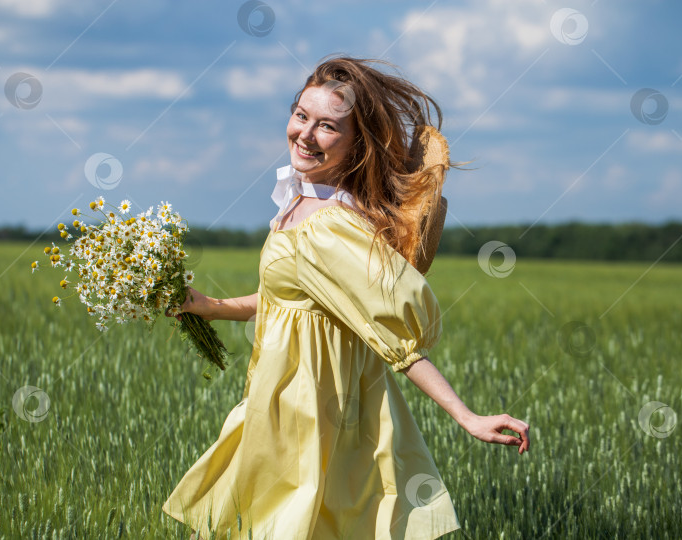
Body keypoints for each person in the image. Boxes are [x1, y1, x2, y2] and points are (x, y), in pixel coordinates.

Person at [162, 56, 531, 539]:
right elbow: (293, 298)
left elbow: (392, 337)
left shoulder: (333, 226)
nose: (306, 134)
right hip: (276, 402)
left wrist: (466, 415)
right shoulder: (300, 201)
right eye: (301, 116)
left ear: (356, 142)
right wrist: (207, 307)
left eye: (328, 127)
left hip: (316, 411)